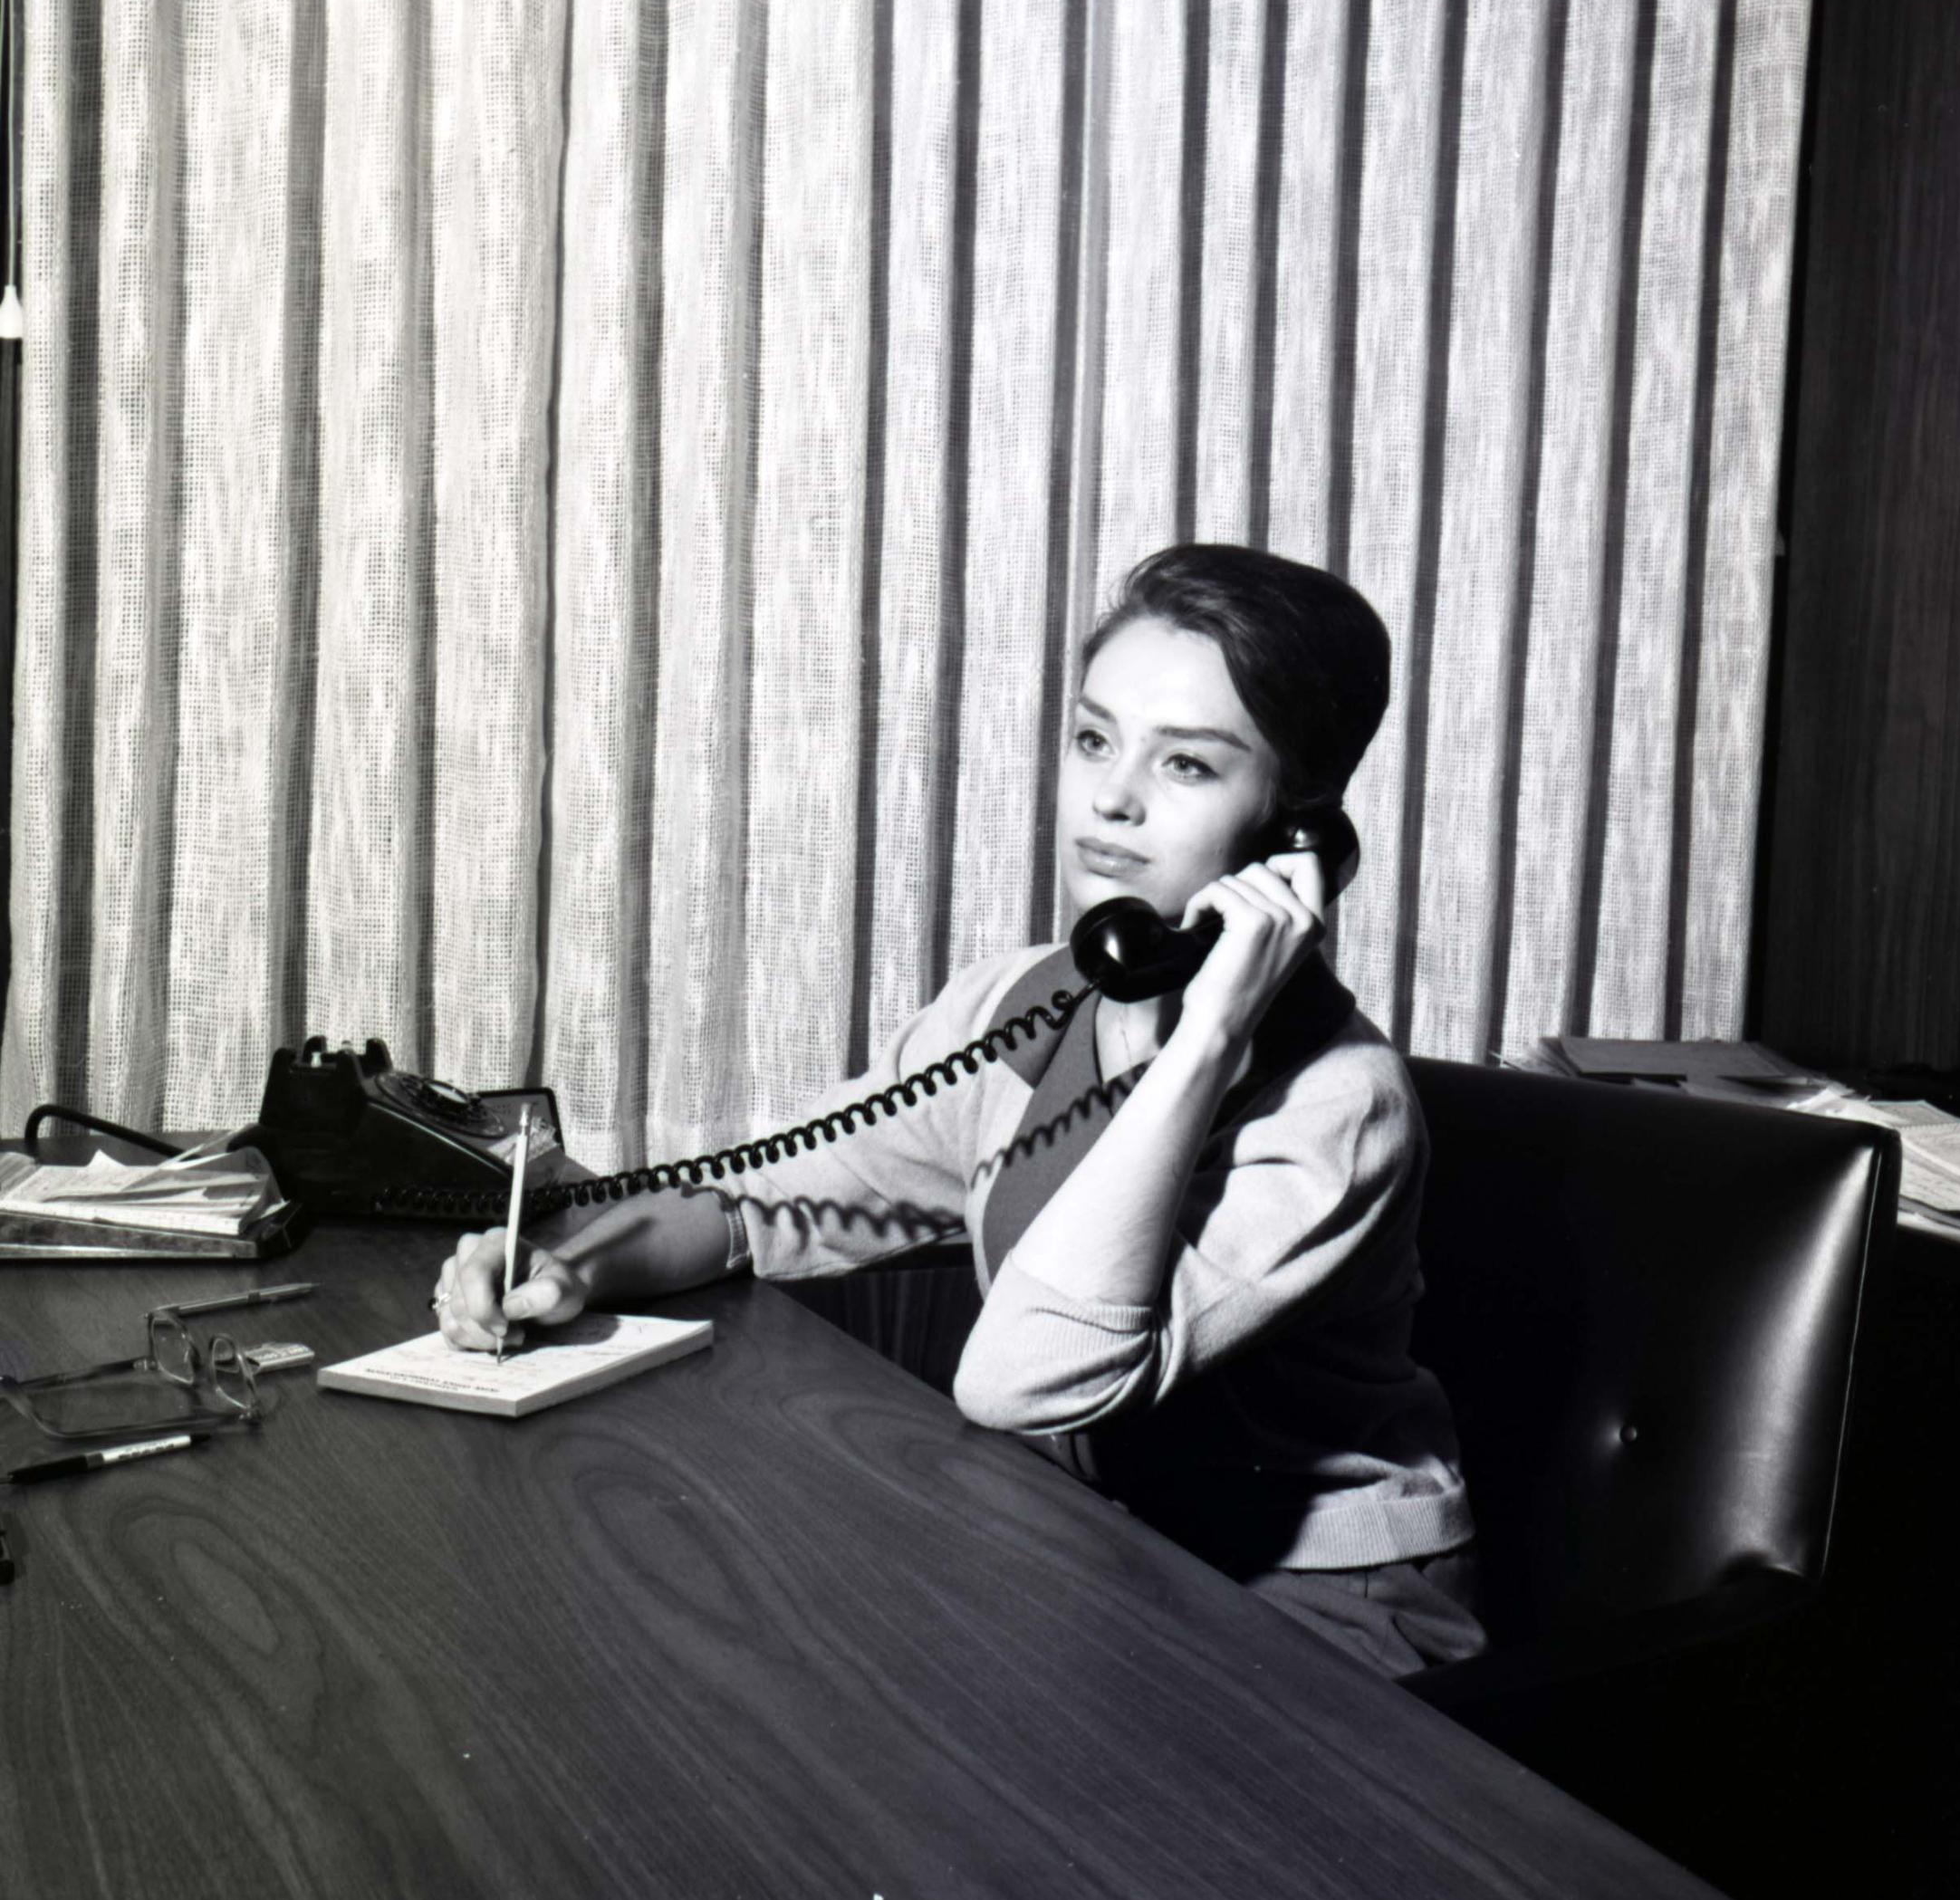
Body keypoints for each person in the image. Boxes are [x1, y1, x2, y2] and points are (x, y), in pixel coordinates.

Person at [434, 543, 1483, 1679]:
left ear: (1297, 833)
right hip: (1099, 1552)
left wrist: (1211, 1033)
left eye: (1186, 766)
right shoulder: (1025, 1007)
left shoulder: (1336, 1107)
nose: (1111, 799)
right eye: (1093, 739)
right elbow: (773, 1198)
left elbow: (1024, 1380)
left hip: (1322, 1625)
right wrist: (573, 1266)